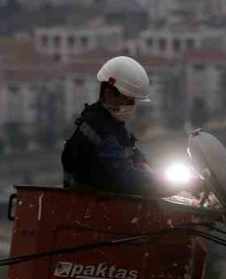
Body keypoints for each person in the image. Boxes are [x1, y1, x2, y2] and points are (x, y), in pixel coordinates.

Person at [62, 55, 171, 197]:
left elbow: (132, 152)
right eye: (129, 100)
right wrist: (171, 185)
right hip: (88, 208)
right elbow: (124, 176)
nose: (133, 106)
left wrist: (143, 165)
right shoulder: (96, 128)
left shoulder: (114, 125)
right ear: (109, 94)